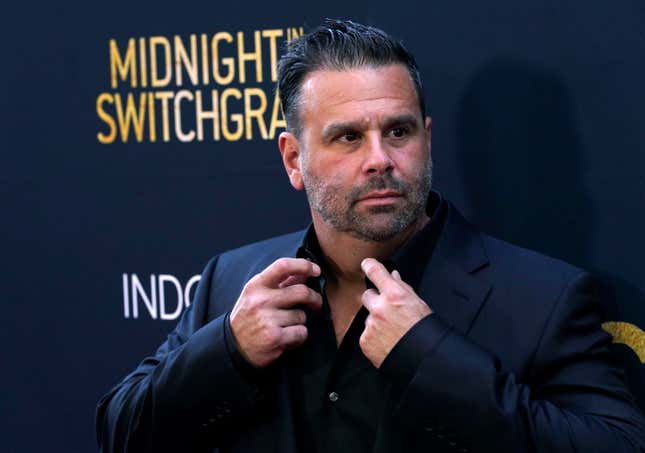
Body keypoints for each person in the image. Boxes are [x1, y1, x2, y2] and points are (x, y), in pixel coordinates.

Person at [96, 19, 645, 453]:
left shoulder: (544, 298)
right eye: (348, 138)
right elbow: (122, 434)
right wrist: (229, 352)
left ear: (426, 140)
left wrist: (429, 358)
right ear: (294, 159)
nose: (380, 160)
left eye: (398, 132)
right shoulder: (231, 281)